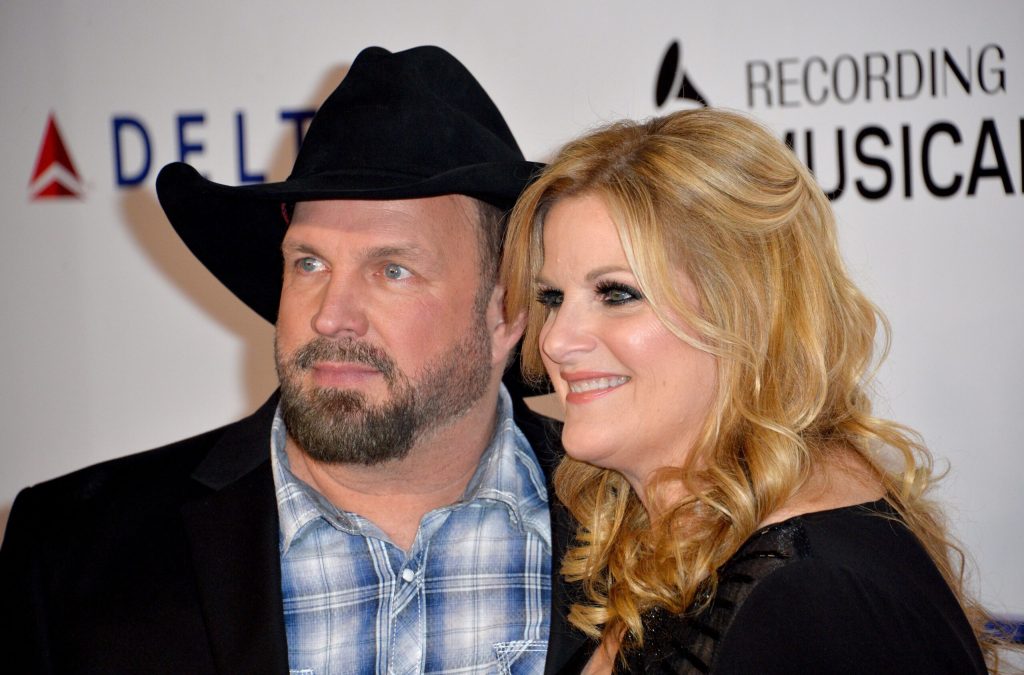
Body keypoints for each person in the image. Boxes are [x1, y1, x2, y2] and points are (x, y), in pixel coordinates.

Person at [0, 46, 585, 674]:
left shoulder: (657, 526)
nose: (332, 316)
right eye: (309, 263)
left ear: (507, 312)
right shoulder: (75, 551)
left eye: (392, 270)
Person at [501, 108, 1005, 673]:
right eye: (552, 299)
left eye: (617, 294)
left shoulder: (810, 597)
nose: (558, 340)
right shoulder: (678, 548)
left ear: (745, 313)